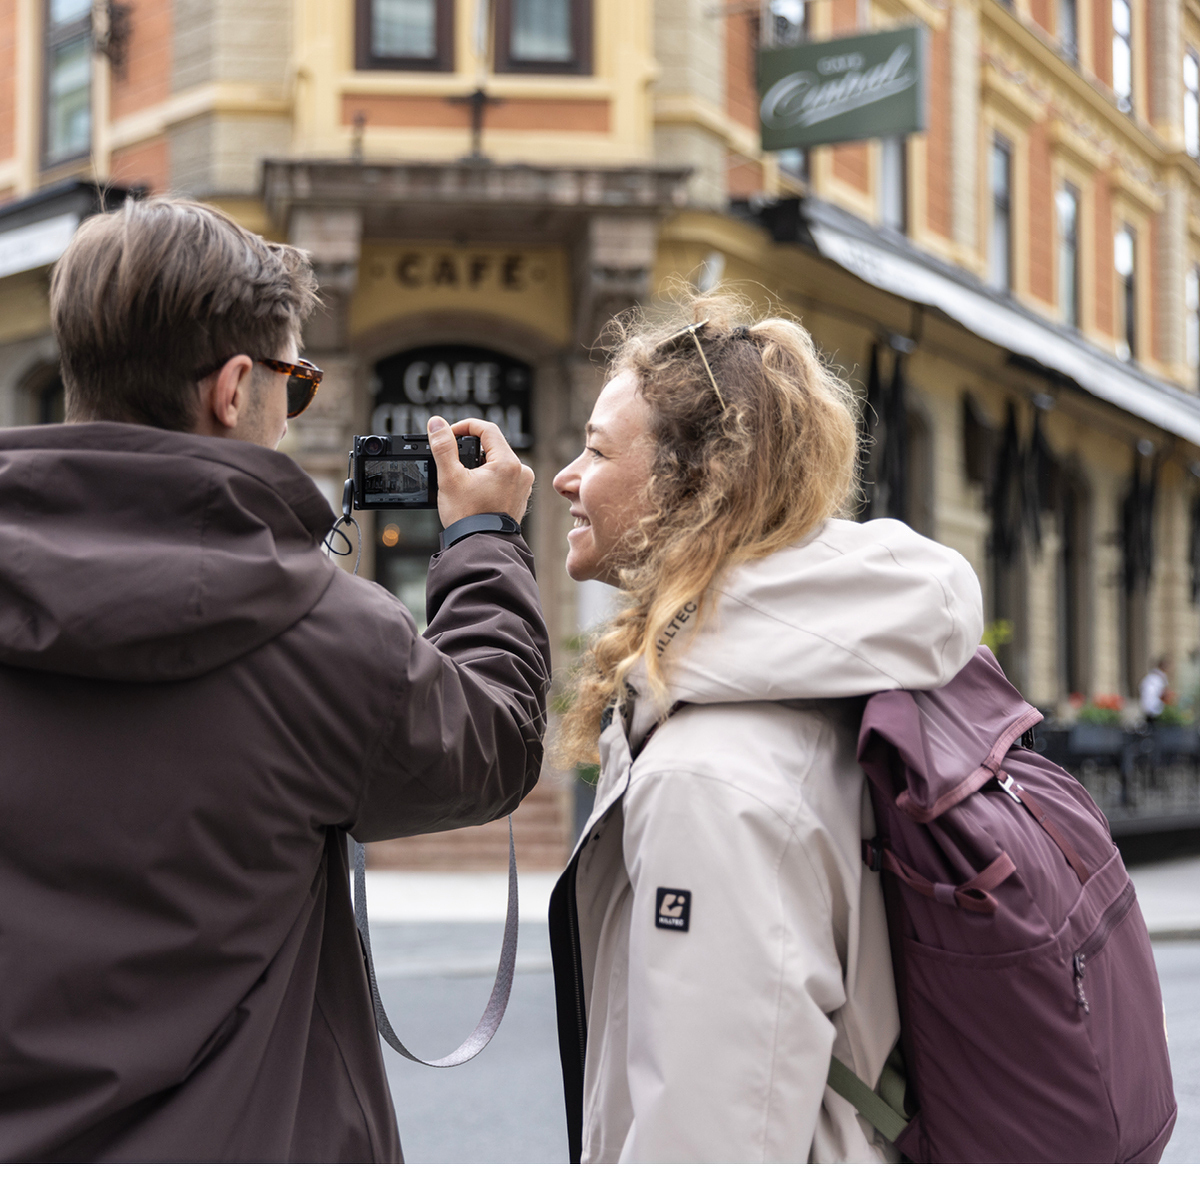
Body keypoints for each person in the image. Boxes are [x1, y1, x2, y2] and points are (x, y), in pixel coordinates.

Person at [0, 198, 549, 1162]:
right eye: (296, 386)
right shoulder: (322, 636)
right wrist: (483, 544)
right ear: (234, 387)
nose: (291, 415)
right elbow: (495, 743)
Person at [547, 294, 984, 1163]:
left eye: (596, 450)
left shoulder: (711, 777)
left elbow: (711, 1148)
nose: (566, 476)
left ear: (691, 480)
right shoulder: (819, 668)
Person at [1140, 657, 1170, 724]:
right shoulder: (1158, 677)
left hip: (1148, 706)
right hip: (1155, 707)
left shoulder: (1150, 677)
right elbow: (1163, 694)